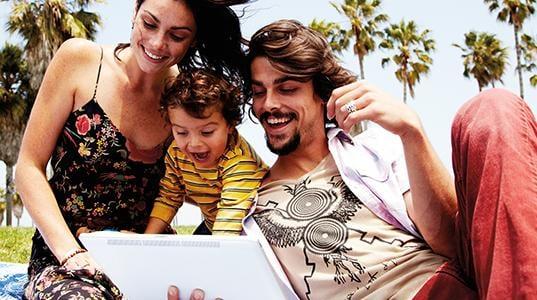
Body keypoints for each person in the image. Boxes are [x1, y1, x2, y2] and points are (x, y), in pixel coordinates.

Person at [167, 19, 536, 299]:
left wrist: (413, 133)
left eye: (288, 88)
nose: (269, 105)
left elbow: (450, 243)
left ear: (320, 94)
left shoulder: (373, 150)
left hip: (440, 286)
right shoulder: (247, 204)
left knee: (494, 107)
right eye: (260, 92)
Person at [14, 0, 252, 298]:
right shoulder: (81, 60)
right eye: (149, 24)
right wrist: (71, 254)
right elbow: (28, 167)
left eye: (177, 36)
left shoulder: (187, 97)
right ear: (134, 13)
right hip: (67, 252)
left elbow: (213, 176)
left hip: (148, 253)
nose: (157, 43)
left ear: (192, 40)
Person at [144, 68, 267, 236]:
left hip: (250, 229)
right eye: (181, 132)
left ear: (230, 125)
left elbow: (227, 228)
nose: (194, 144)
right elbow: (168, 197)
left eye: (207, 132)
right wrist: (146, 240)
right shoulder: (177, 154)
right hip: (213, 223)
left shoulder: (240, 162)